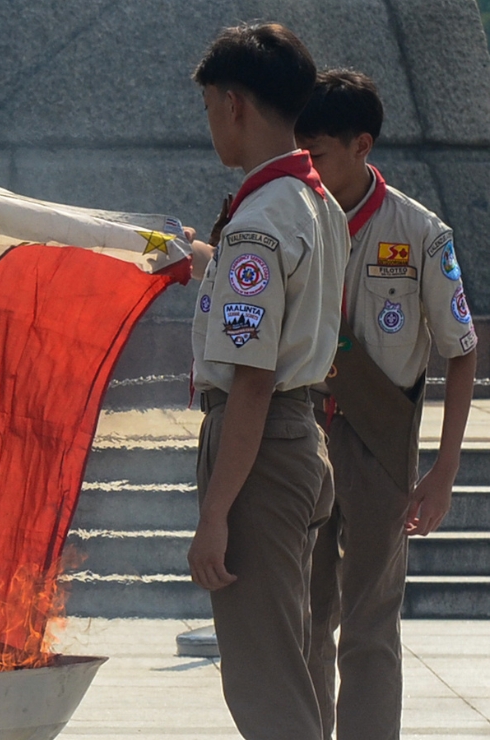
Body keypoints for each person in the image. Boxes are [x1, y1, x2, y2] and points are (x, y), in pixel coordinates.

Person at [296, 69, 477, 740]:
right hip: (303, 433)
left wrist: (443, 471)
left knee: (369, 622)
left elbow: (462, 350)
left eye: (317, 155)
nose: (307, 168)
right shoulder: (291, 219)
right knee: (304, 616)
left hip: (379, 439)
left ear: (362, 145)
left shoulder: (423, 234)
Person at [185, 23, 349, 739]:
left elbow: (252, 381)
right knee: (298, 665)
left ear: (232, 104)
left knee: (266, 685)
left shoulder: (257, 223)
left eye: (210, 109)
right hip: (300, 435)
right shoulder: (317, 203)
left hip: (259, 449)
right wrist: (200, 260)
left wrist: (216, 512)